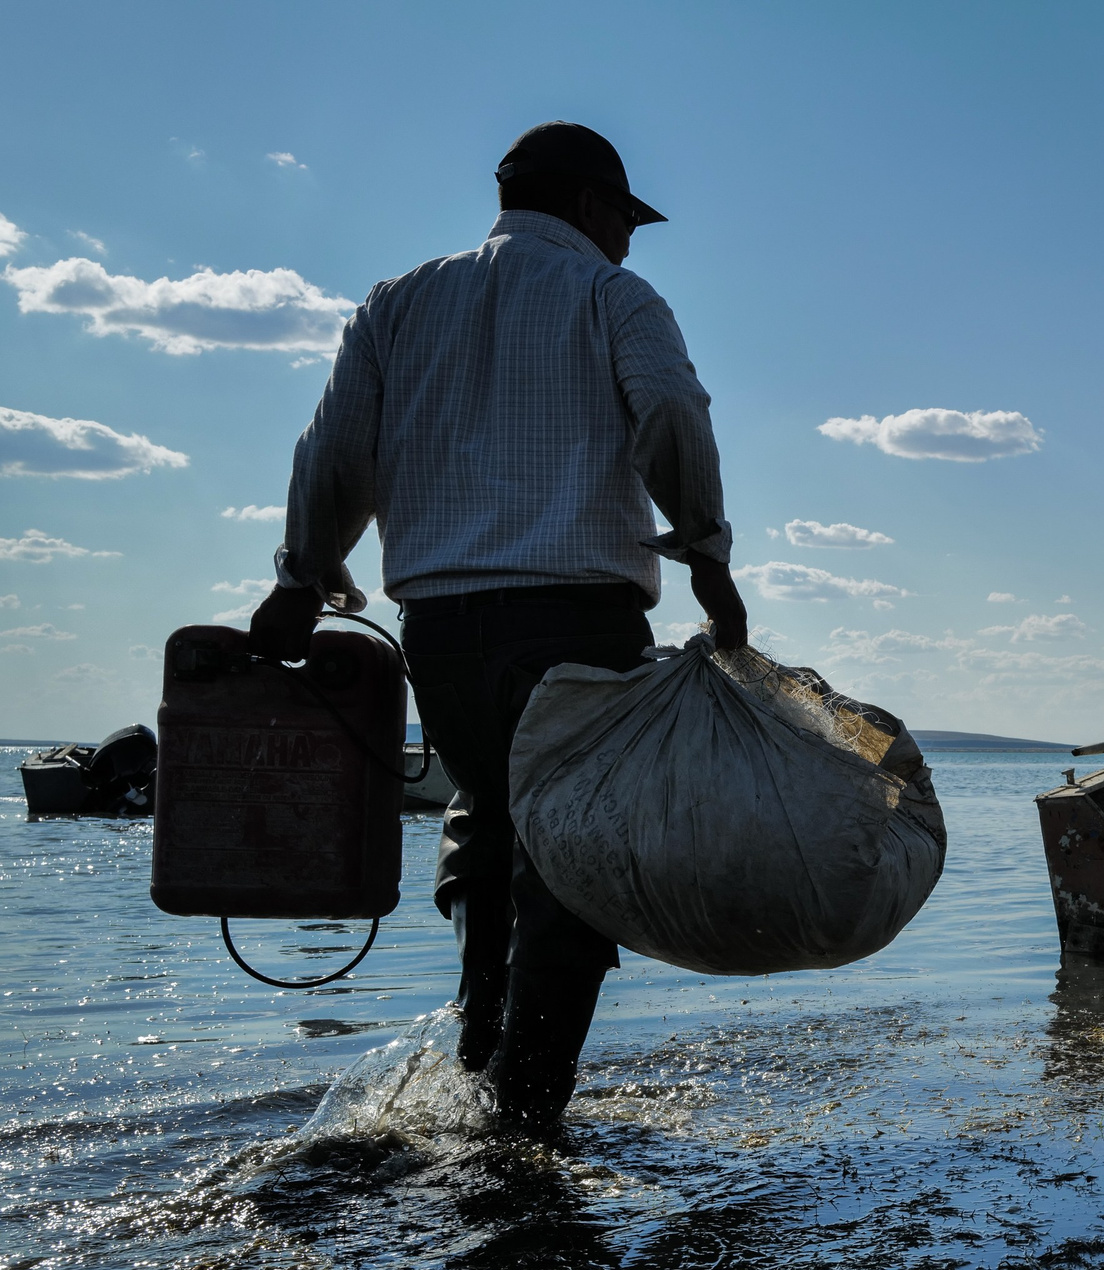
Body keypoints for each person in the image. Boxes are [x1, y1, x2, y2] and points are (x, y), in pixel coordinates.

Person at [249, 120, 750, 1124]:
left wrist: (304, 577)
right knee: (571, 864)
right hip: (577, 624)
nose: (630, 240)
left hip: (441, 634)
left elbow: (336, 446)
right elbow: (671, 416)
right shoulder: (613, 296)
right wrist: (707, 560)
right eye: (626, 220)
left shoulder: (401, 301)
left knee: (495, 824)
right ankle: (523, 1126)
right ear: (588, 205)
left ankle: (480, 1062)